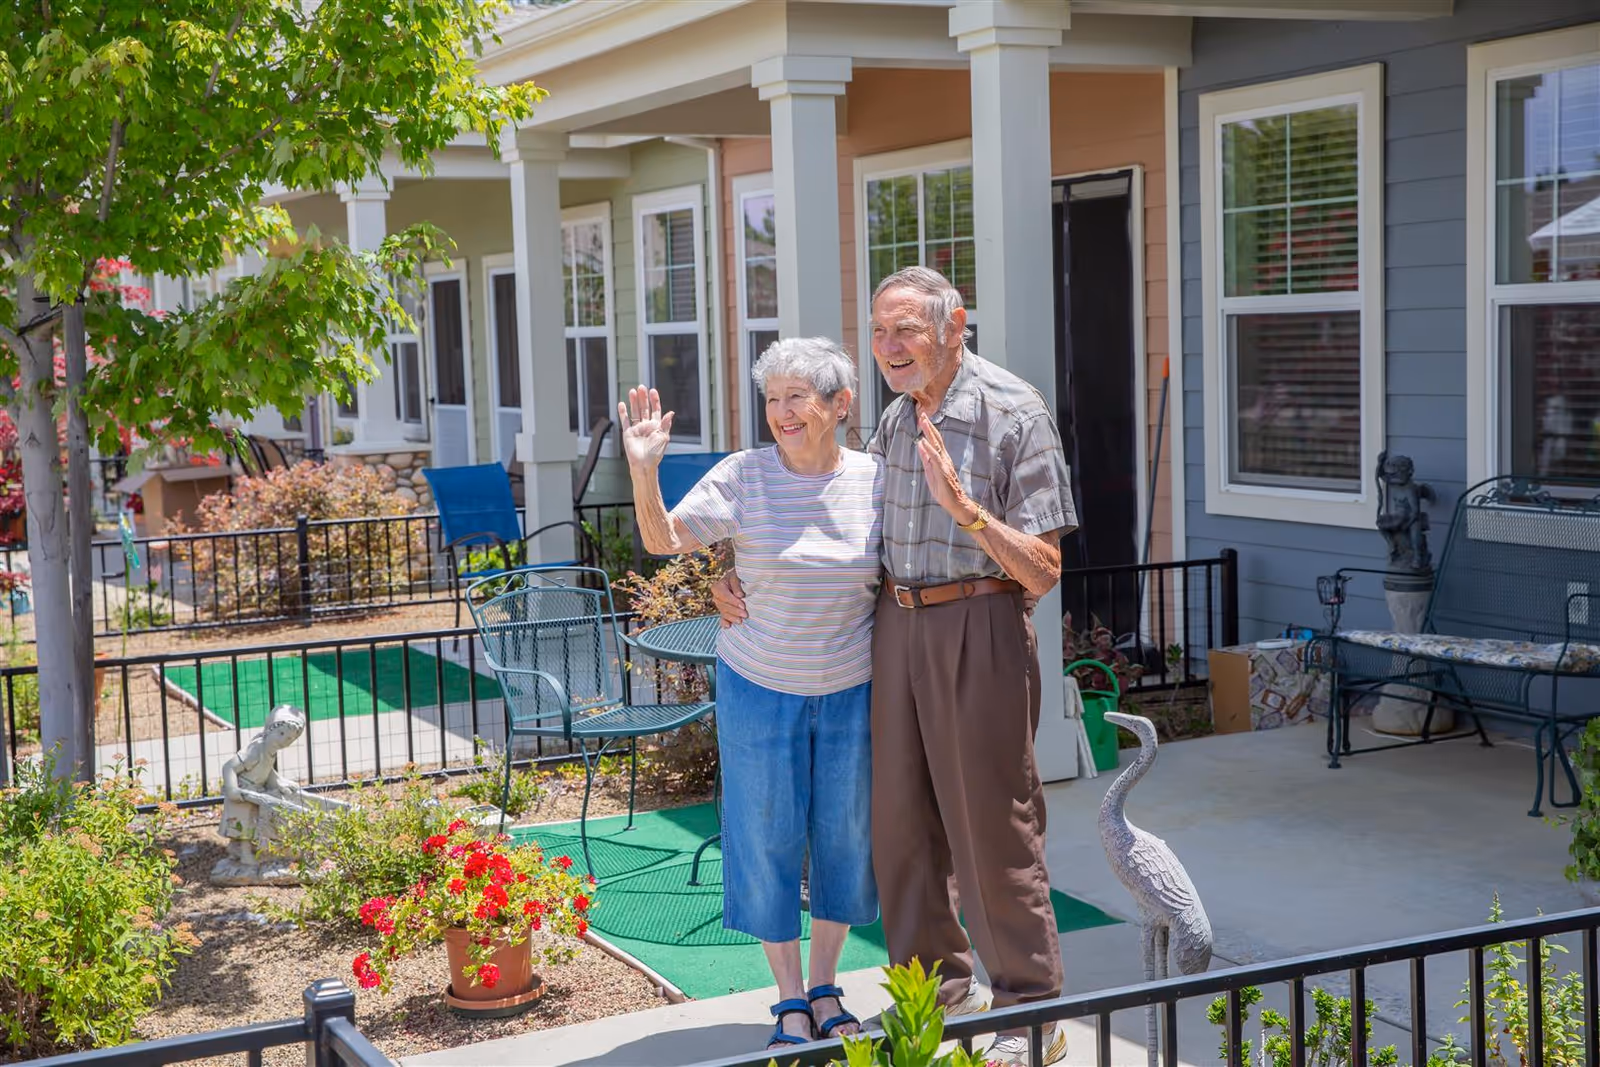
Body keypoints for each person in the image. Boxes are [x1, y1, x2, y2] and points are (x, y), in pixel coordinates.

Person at [712, 267, 1076, 1066]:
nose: (888, 347)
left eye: (905, 329)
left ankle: (1030, 1012)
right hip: (892, 625)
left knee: (991, 825)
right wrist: (727, 570)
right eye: (878, 332)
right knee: (899, 827)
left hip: (978, 619)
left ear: (955, 326)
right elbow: (827, 508)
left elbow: (1044, 569)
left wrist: (969, 511)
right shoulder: (894, 418)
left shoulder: (1013, 412)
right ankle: (938, 996)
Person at [619, 337, 885, 1051]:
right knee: (765, 836)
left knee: (845, 836)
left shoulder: (876, 480)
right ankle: (789, 998)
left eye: (799, 396)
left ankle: (827, 985)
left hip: (853, 689)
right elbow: (662, 537)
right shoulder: (744, 475)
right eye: (773, 398)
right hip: (761, 685)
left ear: (839, 403)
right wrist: (646, 470)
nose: (783, 411)